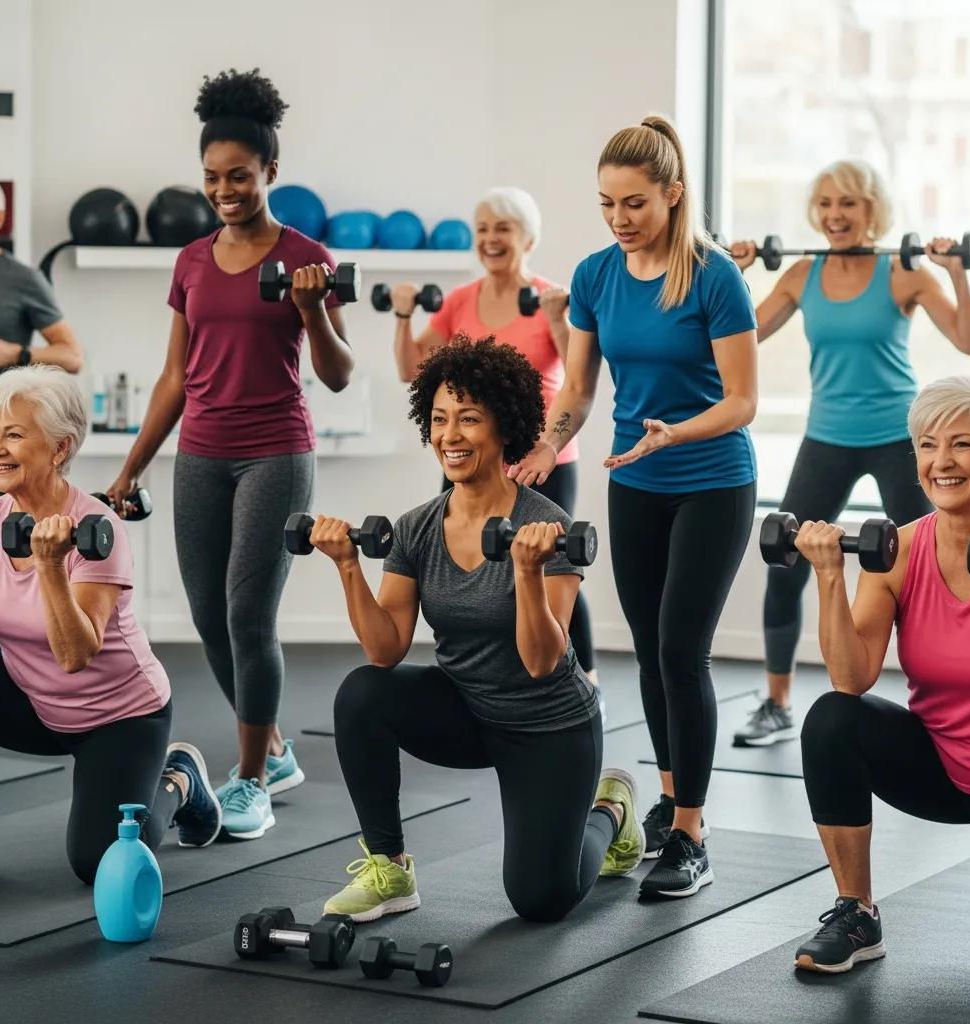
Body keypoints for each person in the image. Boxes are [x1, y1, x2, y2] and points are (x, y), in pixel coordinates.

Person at [511, 115, 758, 897]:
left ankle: (691, 831)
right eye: (607, 204)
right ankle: (668, 796)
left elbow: (745, 401)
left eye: (635, 204)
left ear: (673, 195)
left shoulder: (715, 277)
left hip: (714, 477)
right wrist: (550, 445)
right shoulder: (594, 276)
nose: (619, 219)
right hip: (635, 478)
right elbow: (579, 389)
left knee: (683, 649)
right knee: (650, 649)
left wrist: (676, 431)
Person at [314, 337, 643, 923]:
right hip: (469, 712)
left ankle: (610, 810)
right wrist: (346, 567)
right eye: (439, 420)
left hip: (549, 726)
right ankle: (388, 867)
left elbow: (543, 661)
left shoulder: (548, 528)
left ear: (504, 427)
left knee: (542, 900)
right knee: (363, 692)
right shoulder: (417, 528)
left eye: (469, 419)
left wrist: (526, 570)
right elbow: (384, 648)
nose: (451, 436)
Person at [105, 69, 354, 841]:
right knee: (210, 619)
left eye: (239, 176)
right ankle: (272, 749)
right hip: (201, 453)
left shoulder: (308, 257)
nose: (225, 189)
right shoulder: (191, 261)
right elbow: (176, 376)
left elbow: (339, 375)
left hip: (277, 450)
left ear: (270, 173)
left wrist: (313, 309)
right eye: (213, 177)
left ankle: (249, 781)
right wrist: (131, 466)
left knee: (251, 615)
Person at [729, 160, 970, 748]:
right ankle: (776, 701)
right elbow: (744, 336)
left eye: (849, 204)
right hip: (828, 437)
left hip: (900, 439)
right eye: (826, 205)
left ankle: (944, 695)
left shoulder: (902, 274)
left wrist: (956, 273)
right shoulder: (799, 275)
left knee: (942, 564)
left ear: (873, 212)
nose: (836, 216)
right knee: (785, 557)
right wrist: (735, 278)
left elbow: (969, 342)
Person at [0, 366, 220, 883]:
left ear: (58, 448)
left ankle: (179, 780)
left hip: (118, 718)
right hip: (32, 700)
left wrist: (50, 565)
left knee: (100, 864)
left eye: (13, 434)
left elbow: (75, 656)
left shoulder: (99, 529)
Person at [389, 187, 601, 713]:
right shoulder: (461, 300)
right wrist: (400, 317)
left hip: (540, 459)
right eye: (483, 230)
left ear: (527, 238)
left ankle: (584, 677)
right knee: (462, 559)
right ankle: (477, 671)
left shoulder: (552, 296)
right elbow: (412, 370)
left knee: (553, 565)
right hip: (473, 459)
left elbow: (579, 374)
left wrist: (556, 316)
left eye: (502, 229)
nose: (491, 240)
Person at [792, 375, 970, 973]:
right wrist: (827, 578)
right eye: (927, 445)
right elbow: (852, 678)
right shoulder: (896, 551)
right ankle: (857, 912)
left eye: (963, 445)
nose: (942, 462)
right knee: (832, 719)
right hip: (942, 773)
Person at [0, 175, 83, 645]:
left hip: (15, 443)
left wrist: (16, 353)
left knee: (52, 546)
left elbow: (72, 355)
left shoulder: (22, 280)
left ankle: (60, 645)